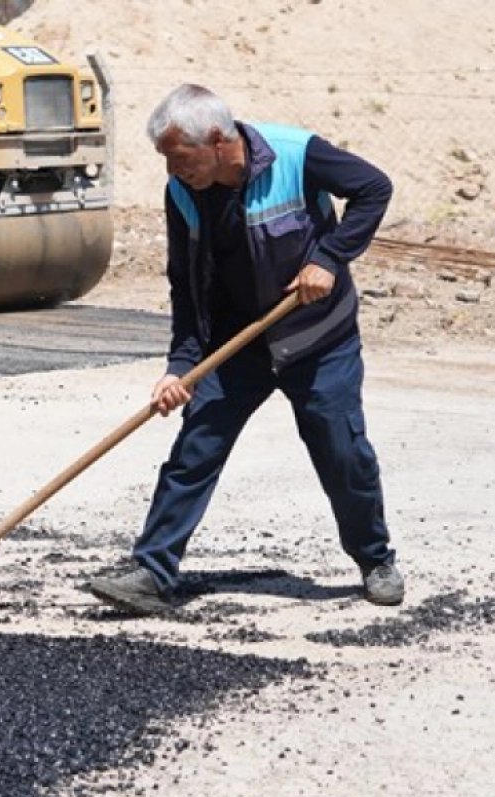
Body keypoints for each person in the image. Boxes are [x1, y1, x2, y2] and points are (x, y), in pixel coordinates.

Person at [87, 84, 404, 616]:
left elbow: (374, 187)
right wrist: (181, 368)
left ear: (215, 139)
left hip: (317, 338)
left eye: (179, 158)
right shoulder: (183, 193)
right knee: (195, 450)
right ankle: (152, 571)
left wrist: (328, 257)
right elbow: (185, 286)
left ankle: (375, 560)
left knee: (342, 450)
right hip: (237, 345)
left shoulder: (296, 155)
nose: (172, 171)